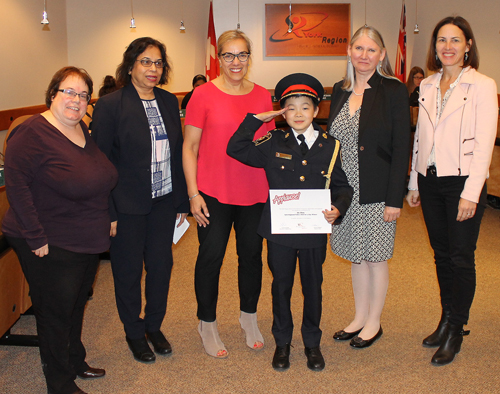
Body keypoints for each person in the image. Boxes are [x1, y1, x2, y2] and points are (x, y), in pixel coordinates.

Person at [2, 66, 118, 394]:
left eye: (83, 95)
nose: (76, 100)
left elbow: (98, 175)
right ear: (53, 94)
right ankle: (59, 382)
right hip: (46, 238)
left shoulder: (80, 127)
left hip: (84, 235)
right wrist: (36, 235)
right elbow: (17, 187)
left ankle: (74, 359)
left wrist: (108, 214)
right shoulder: (32, 133)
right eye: (69, 91)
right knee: (56, 311)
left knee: (77, 302)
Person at [227, 73, 353, 371]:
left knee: (313, 287)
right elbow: (236, 148)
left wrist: (338, 208)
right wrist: (256, 120)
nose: (298, 113)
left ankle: (312, 343)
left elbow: (343, 187)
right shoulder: (273, 141)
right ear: (283, 112)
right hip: (280, 232)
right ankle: (282, 343)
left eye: (305, 107)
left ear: (316, 111)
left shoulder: (330, 145)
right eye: (291, 107)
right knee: (281, 286)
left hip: (312, 232)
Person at [406, 16, 497, 366]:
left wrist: (472, 193)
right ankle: (446, 319)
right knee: (441, 254)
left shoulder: (482, 85)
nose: (448, 46)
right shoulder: (427, 84)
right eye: (441, 40)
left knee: (461, 256)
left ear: (468, 45)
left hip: (462, 181)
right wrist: (414, 182)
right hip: (430, 180)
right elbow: (420, 139)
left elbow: (485, 142)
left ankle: (457, 328)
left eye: (455, 40)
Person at [92, 37, 189, 363]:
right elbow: (99, 163)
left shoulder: (166, 101)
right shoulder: (110, 105)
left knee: (161, 268)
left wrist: (181, 202)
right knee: (128, 271)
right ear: (131, 65)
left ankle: (153, 326)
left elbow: (176, 154)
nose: (153, 69)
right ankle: (134, 332)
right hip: (126, 206)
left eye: (158, 63)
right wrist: (109, 210)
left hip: (163, 203)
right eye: (146, 62)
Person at [183, 29, 275, 358]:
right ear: (218, 58)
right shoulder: (203, 95)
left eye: (242, 55)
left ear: (250, 57)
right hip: (213, 193)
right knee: (211, 258)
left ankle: (248, 317)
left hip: (254, 192)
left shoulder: (263, 96)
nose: (236, 62)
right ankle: (206, 323)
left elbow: (268, 147)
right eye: (229, 55)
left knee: (251, 258)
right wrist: (193, 193)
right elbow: (189, 147)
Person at [327, 26, 411, 348]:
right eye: (358, 49)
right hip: (345, 192)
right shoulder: (340, 89)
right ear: (349, 51)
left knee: (375, 256)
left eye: (371, 50)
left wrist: (395, 199)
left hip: (376, 190)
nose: (364, 55)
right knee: (354, 256)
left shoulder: (392, 90)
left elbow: (401, 146)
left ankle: (374, 322)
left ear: (382, 54)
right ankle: (359, 317)